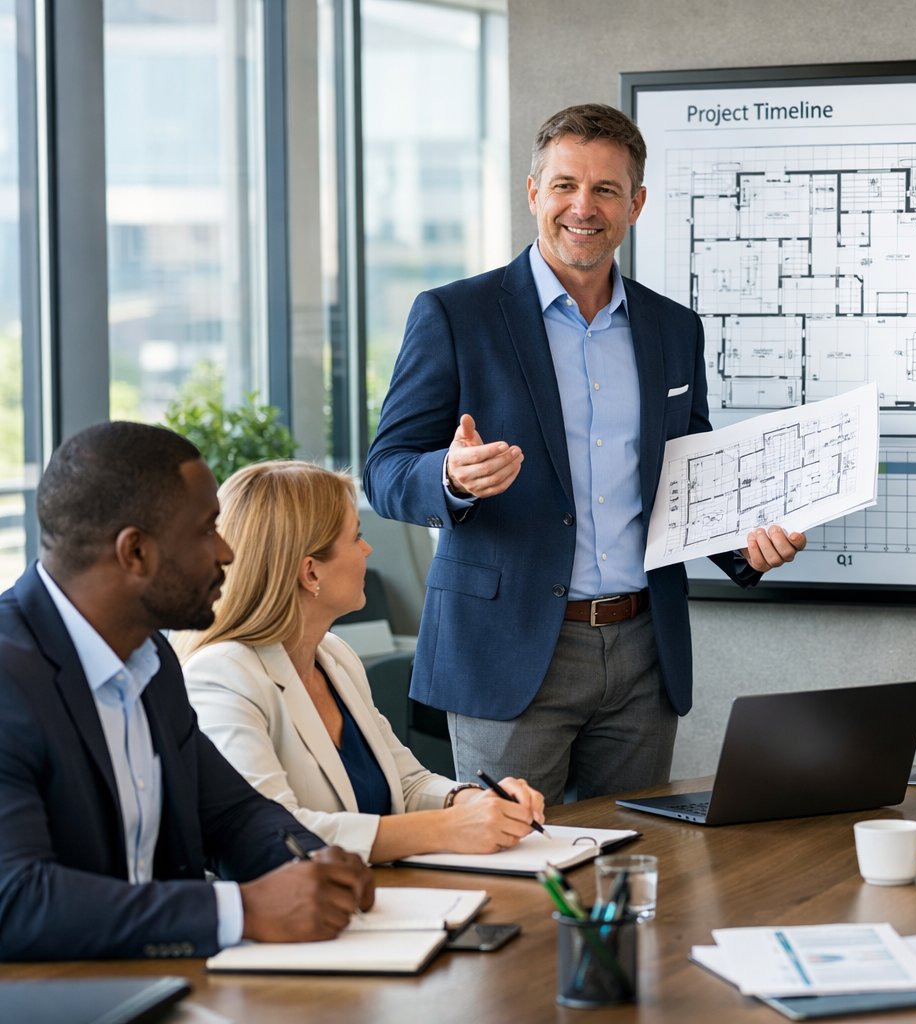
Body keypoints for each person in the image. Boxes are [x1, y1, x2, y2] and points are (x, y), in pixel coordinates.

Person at [363, 103, 805, 802]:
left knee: (630, 864)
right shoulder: (455, 315)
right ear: (534, 193)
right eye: (565, 185)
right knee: (514, 864)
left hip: (642, 651)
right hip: (509, 650)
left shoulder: (672, 327)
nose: (583, 207)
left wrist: (740, 548)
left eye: (605, 189)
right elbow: (384, 472)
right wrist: (449, 476)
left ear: (636, 203)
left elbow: (685, 474)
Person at [0, 422, 373, 961]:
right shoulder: (10, 676)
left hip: (157, 981)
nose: (226, 552)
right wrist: (242, 910)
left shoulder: (150, 660)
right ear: (136, 553)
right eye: (206, 531)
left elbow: (232, 814)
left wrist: (314, 863)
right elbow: (16, 900)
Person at [180, 461, 546, 864]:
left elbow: (406, 784)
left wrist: (473, 800)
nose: (368, 550)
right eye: (357, 537)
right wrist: (450, 828)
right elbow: (271, 832)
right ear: (310, 572)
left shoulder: (334, 655)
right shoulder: (222, 675)